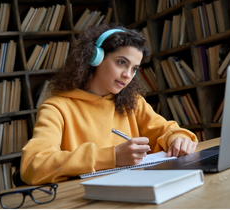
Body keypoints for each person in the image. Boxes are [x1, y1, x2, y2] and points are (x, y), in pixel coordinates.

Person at [20, 23, 198, 185]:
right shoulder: (56, 108)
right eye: (122, 62)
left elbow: (165, 129)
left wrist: (177, 139)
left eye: (134, 69)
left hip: (134, 189)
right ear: (95, 58)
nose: (128, 75)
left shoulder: (133, 102)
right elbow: (34, 165)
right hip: (84, 199)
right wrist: (111, 157)